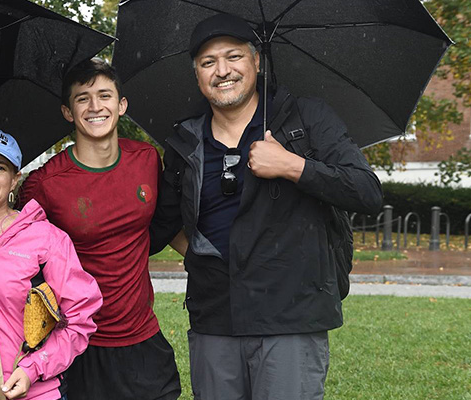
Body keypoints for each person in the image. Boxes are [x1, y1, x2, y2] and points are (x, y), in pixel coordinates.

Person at [149, 13, 383, 400]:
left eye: (233, 57)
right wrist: (208, 256)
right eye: (208, 63)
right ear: (197, 75)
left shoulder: (306, 119)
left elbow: (366, 191)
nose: (222, 71)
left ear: (257, 61)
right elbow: (160, 225)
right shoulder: (185, 142)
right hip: (215, 321)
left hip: (290, 318)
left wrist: (293, 166)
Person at [18, 58, 182, 400]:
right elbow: (17, 256)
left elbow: (164, 230)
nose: (95, 107)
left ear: (121, 105)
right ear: (67, 111)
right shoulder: (45, 184)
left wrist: (216, 264)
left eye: (105, 95)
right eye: (83, 98)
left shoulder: (148, 159)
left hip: (143, 339)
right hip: (81, 343)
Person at [0, 129, 102, 400]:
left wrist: (33, 368)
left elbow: (80, 320)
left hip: (34, 392)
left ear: (14, 180)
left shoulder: (46, 239)